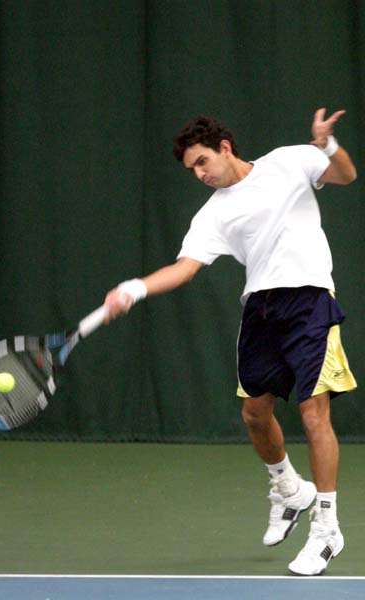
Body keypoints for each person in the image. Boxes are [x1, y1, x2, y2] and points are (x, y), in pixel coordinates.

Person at [103, 108, 357, 576]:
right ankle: (289, 488)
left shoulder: (289, 161)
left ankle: (326, 528)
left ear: (224, 147)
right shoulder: (213, 213)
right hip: (261, 309)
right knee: (255, 415)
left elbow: (346, 175)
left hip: (310, 302)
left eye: (202, 162)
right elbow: (185, 268)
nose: (199, 174)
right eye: (192, 170)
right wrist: (135, 288)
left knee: (313, 413)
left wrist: (327, 145)